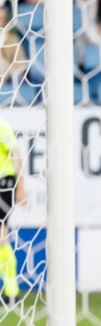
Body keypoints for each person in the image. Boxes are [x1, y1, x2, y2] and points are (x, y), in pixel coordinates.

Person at [0, 114, 24, 306]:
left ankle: (12, 291)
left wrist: (20, 188)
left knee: (1, 237)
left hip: (3, 184)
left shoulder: (2, 125)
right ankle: (10, 291)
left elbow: (16, 155)